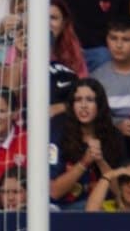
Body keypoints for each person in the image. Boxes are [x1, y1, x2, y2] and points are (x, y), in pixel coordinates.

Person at [50, 79, 123, 209]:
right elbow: (53, 192)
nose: (83, 105)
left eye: (90, 100)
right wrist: (85, 162)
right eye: (78, 100)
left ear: (99, 105)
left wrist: (100, 160)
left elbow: (120, 193)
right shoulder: (58, 133)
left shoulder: (114, 136)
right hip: (66, 210)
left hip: (105, 209)